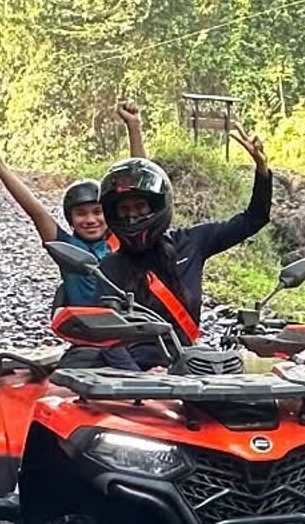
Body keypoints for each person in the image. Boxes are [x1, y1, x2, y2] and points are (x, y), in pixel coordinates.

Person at [0, 103, 148, 368]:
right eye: (81, 214)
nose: (90, 219)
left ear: (110, 213)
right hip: (87, 345)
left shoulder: (122, 242)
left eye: (97, 211)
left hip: (127, 342)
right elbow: (35, 210)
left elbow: (139, 184)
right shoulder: (66, 247)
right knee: (59, 389)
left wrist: (133, 127)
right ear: (71, 220)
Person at [93, 123, 273, 369]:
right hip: (134, 372)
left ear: (156, 206)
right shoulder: (110, 268)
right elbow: (107, 339)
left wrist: (262, 170)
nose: (132, 216)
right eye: (124, 209)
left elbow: (253, 219)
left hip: (188, 363)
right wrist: (139, 380)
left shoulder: (190, 243)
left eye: (139, 207)